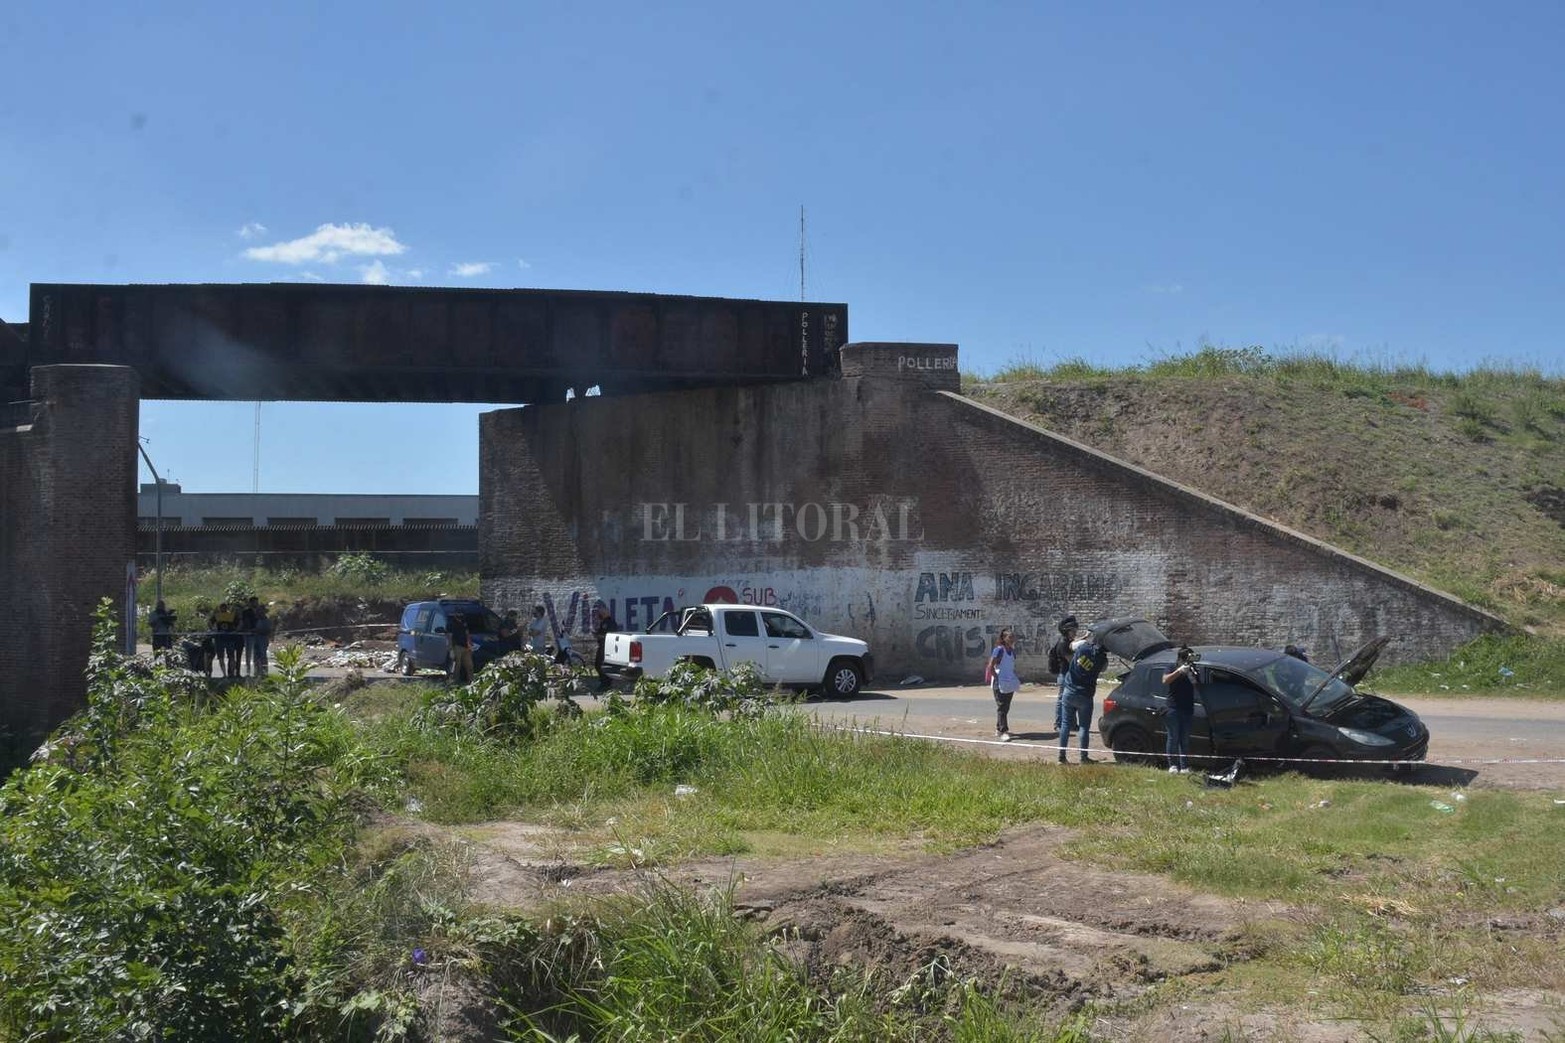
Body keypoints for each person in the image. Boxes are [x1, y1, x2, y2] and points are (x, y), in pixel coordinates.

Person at [1058, 628, 1107, 764]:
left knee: (1065, 725)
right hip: (1086, 694)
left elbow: (1070, 646)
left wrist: (1084, 637)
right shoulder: (1102, 659)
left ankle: (1061, 757)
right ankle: (1083, 758)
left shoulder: (1083, 647)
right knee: (1084, 727)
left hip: (1069, 690)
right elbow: (1103, 669)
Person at [1161, 647, 1200, 774]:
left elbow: (1197, 685)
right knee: (1173, 737)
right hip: (1173, 708)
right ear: (1181, 659)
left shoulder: (1192, 669)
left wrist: (1191, 674)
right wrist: (1179, 671)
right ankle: (1173, 765)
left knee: (1185, 739)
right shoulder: (1171, 667)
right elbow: (1165, 680)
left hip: (1187, 708)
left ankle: (1184, 766)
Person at [984, 627, 1021, 741]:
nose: (1012, 639)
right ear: (1004, 638)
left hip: (1009, 682)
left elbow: (1010, 666)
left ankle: (998, 728)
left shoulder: (1012, 651)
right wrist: (997, 678)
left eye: (1013, 637)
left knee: (1006, 706)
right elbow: (990, 666)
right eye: (1010, 637)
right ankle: (1003, 731)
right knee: (1002, 706)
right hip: (1000, 682)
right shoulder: (999, 650)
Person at [1046, 615, 1079, 737]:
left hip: (1070, 675)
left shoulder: (1068, 642)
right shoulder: (1063, 643)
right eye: (1073, 631)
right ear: (1067, 631)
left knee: (1072, 700)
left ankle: (1072, 724)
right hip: (1065, 675)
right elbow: (1071, 660)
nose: (1075, 633)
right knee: (1062, 700)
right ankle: (1058, 724)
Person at [592, 602, 619, 692]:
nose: (599, 613)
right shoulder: (603, 622)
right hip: (602, 646)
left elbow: (610, 635)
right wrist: (596, 634)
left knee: (601, 665)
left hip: (607, 647)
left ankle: (606, 684)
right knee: (598, 665)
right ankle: (604, 682)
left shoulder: (610, 622)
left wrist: (599, 636)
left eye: (601, 611)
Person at [210, 601, 241, 678]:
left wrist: (236, 630)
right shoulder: (217, 615)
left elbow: (240, 622)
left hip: (229, 638)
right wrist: (213, 629)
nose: (223, 609)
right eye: (222, 607)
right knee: (222, 657)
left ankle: (230, 674)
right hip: (220, 638)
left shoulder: (231, 615)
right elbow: (210, 622)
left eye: (224, 607)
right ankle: (225, 674)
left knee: (231, 657)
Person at [447, 611, 474, 685]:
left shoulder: (464, 623)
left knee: (470, 665)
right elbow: (449, 637)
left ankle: (471, 681)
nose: (460, 617)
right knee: (456, 665)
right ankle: (454, 682)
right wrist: (451, 649)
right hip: (456, 646)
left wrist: (470, 644)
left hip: (465, 647)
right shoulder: (451, 624)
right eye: (458, 615)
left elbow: (467, 634)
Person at [250, 599, 272, 677]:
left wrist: (258, 631)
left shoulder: (267, 620)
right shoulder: (258, 620)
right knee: (256, 656)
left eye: (260, 611)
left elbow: (268, 631)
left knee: (263, 655)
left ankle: (264, 671)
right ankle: (257, 671)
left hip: (263, 639)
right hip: (256, 639)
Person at [239, 598, 258, 675]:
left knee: (257, 652)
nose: (256, 604)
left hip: (258, 634)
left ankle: (257, 669)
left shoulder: (259, 611)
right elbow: (245, 622)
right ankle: (248, 669)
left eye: (256, 602)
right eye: (254, 602)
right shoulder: (246, 612)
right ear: (250, 603)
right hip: (249, 634)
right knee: (248, 652)